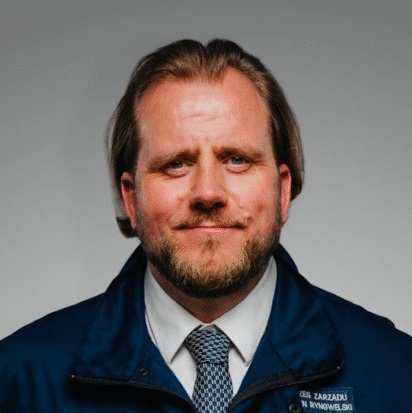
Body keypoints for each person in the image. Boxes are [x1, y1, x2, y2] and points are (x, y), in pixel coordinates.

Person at [0, 39, 411, 413]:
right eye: (176, 164)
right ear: (130, 198)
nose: (208, 192)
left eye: (238, 160)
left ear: (282, 191)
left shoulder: (394, 374)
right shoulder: (20, 381)